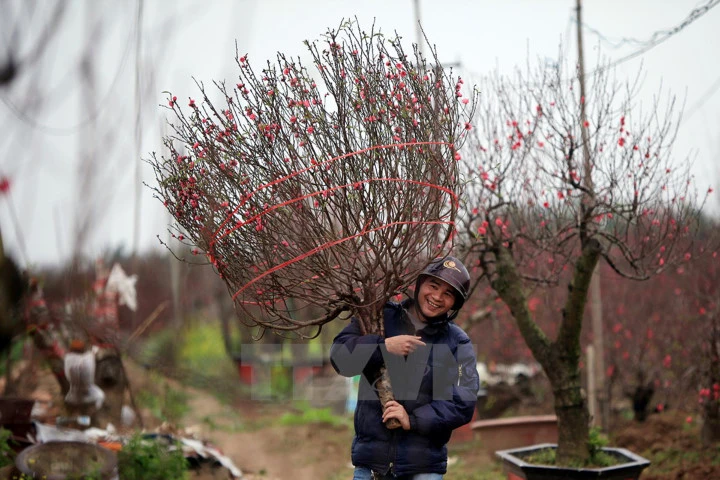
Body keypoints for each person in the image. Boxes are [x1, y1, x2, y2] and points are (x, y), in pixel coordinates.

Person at [330, 256, 479, 480]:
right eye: (433, 286)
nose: (437, 297)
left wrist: (413, 419)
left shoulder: (457, 342)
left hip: (423, 469)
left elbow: (463, 401)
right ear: (420, 284)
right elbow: (340, 357)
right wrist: (383, 347)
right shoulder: (380, 317)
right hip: (371, 465)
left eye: (448, 294)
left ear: (455, 304)